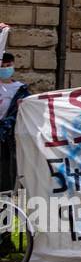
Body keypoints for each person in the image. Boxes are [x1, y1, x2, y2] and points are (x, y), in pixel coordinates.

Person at [0, 50, 29, 197]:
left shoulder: (20, 89)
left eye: (8, 65)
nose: (5, 68)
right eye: (2, 65)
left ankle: (5, 212)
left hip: (9, 137)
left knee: (7, 173)